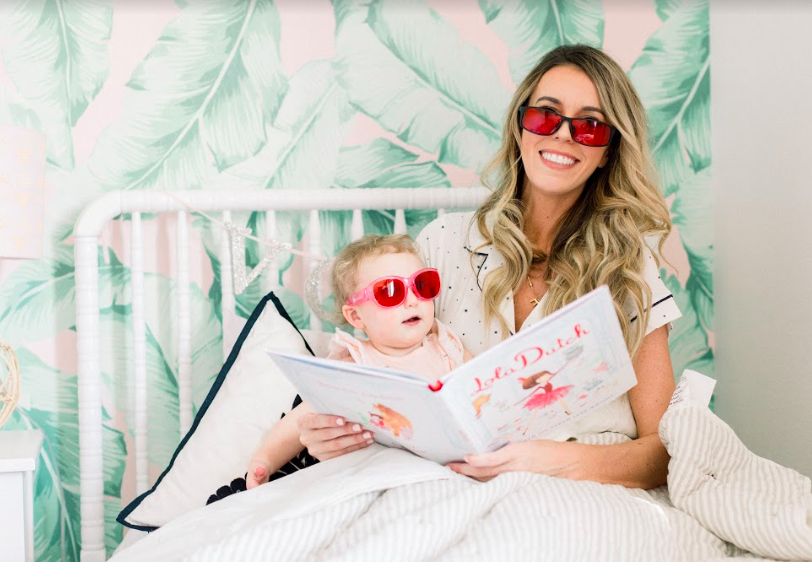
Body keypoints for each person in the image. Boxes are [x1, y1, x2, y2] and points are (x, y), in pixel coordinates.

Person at [295, 44, 681, 490]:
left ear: (609, 151)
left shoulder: (629, 270)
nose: (563, 135)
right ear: (520, 126)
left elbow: (662, 455)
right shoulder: (441, 244)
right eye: (546, 115)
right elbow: (383, 374)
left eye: (590, 126)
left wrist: (548, 461)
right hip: (449, 485)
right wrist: (336, 433)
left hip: (585, 489)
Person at [245, 234, 470, 488]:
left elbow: (483, 382)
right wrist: (265, 459)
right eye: (390, 291)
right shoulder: (357, 366)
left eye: (422, 285)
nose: (412, 300)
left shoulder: (447, 346)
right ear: (356, 316)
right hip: (382, 475)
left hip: (451, 470)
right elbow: (302, 418)